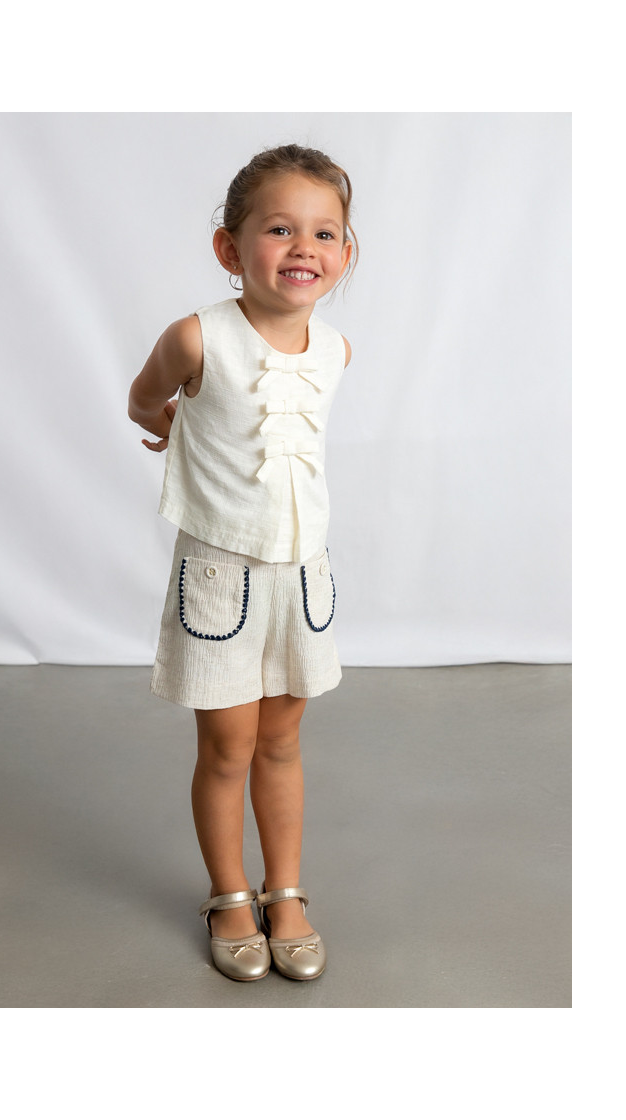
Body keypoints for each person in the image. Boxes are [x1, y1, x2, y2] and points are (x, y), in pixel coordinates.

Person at [128, 144, 357, 982]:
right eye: (279, 229)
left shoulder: (335, 350)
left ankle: (284, 891)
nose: (304, 247)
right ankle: (229, 894)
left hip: (303, 576)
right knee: (228, 747)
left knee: (282, 742)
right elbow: (143, 397)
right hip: (223, 578)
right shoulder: (197, 338)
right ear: (231, 247)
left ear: (344, 253)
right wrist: (170, 427)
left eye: (325, 233)